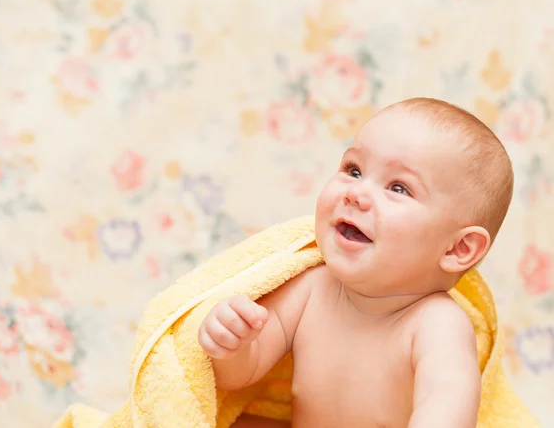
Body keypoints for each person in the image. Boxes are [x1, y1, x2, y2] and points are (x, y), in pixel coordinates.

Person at [198, 97, 514, 428]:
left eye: (398, 187)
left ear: (458, 248)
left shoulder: (437, 324)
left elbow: (446, 400)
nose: (356, 193)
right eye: (354, 170)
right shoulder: (312, 290)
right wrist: (232, 345)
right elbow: (244, 374)